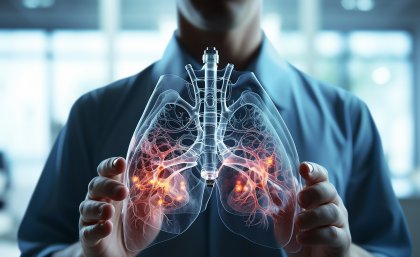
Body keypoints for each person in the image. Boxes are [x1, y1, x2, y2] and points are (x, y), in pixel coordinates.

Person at [18, 0, 411, 256]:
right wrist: (92, 254)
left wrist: (344, 254)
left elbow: (388, 249)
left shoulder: (347, 117)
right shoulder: (93, 114)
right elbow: (40, 246)